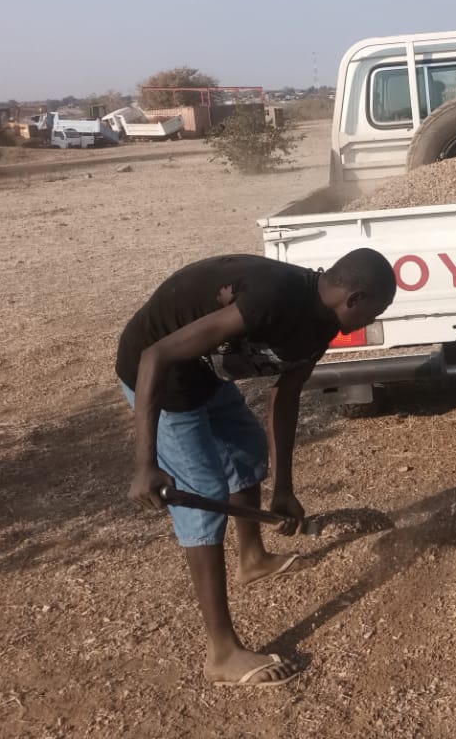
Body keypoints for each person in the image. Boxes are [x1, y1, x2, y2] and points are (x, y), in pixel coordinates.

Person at [116, 249, 397, 686]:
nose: (371, 321)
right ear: (355, 297)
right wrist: (144, 463)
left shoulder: (321, 325)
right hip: (160, 376)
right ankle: (222, 652)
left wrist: (284, 488)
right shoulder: (276, 296)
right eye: (375, 312)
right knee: (205, 495)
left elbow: (283, 397)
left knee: (245, 447)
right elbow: (155, 355)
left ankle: (252, 557)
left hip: (202, 374)